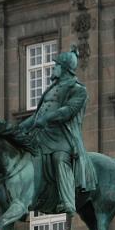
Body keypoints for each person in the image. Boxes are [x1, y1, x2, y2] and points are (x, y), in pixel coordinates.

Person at [14, 46, 97, 214]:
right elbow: (38, 114)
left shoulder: (78, 90)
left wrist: (47, 119)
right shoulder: (50, 89)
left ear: (64, 68)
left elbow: (67, 111)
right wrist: (20, 127)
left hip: (62, 137)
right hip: (42, 135)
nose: (54, 69)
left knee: (60, 159)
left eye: (56, 65)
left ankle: (68, 200)